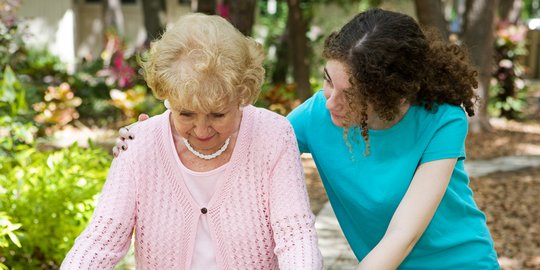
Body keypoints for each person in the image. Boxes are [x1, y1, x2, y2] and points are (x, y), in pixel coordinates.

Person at [116, 8, 500, 269]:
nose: (331, 101)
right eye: (328, 82)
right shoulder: (318, 114)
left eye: (350, 96)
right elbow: (252, 142)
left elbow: (404, 234)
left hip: (459, 261)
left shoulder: (442, 120)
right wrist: (161, 139)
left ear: (389, 95)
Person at [62, 13, 322, 269]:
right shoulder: (138, 145)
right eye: (185, 113)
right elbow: (99, 242)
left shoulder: (273, 135)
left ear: (242, 96)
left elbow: (295, 235)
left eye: (217, 114)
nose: (201, 130)